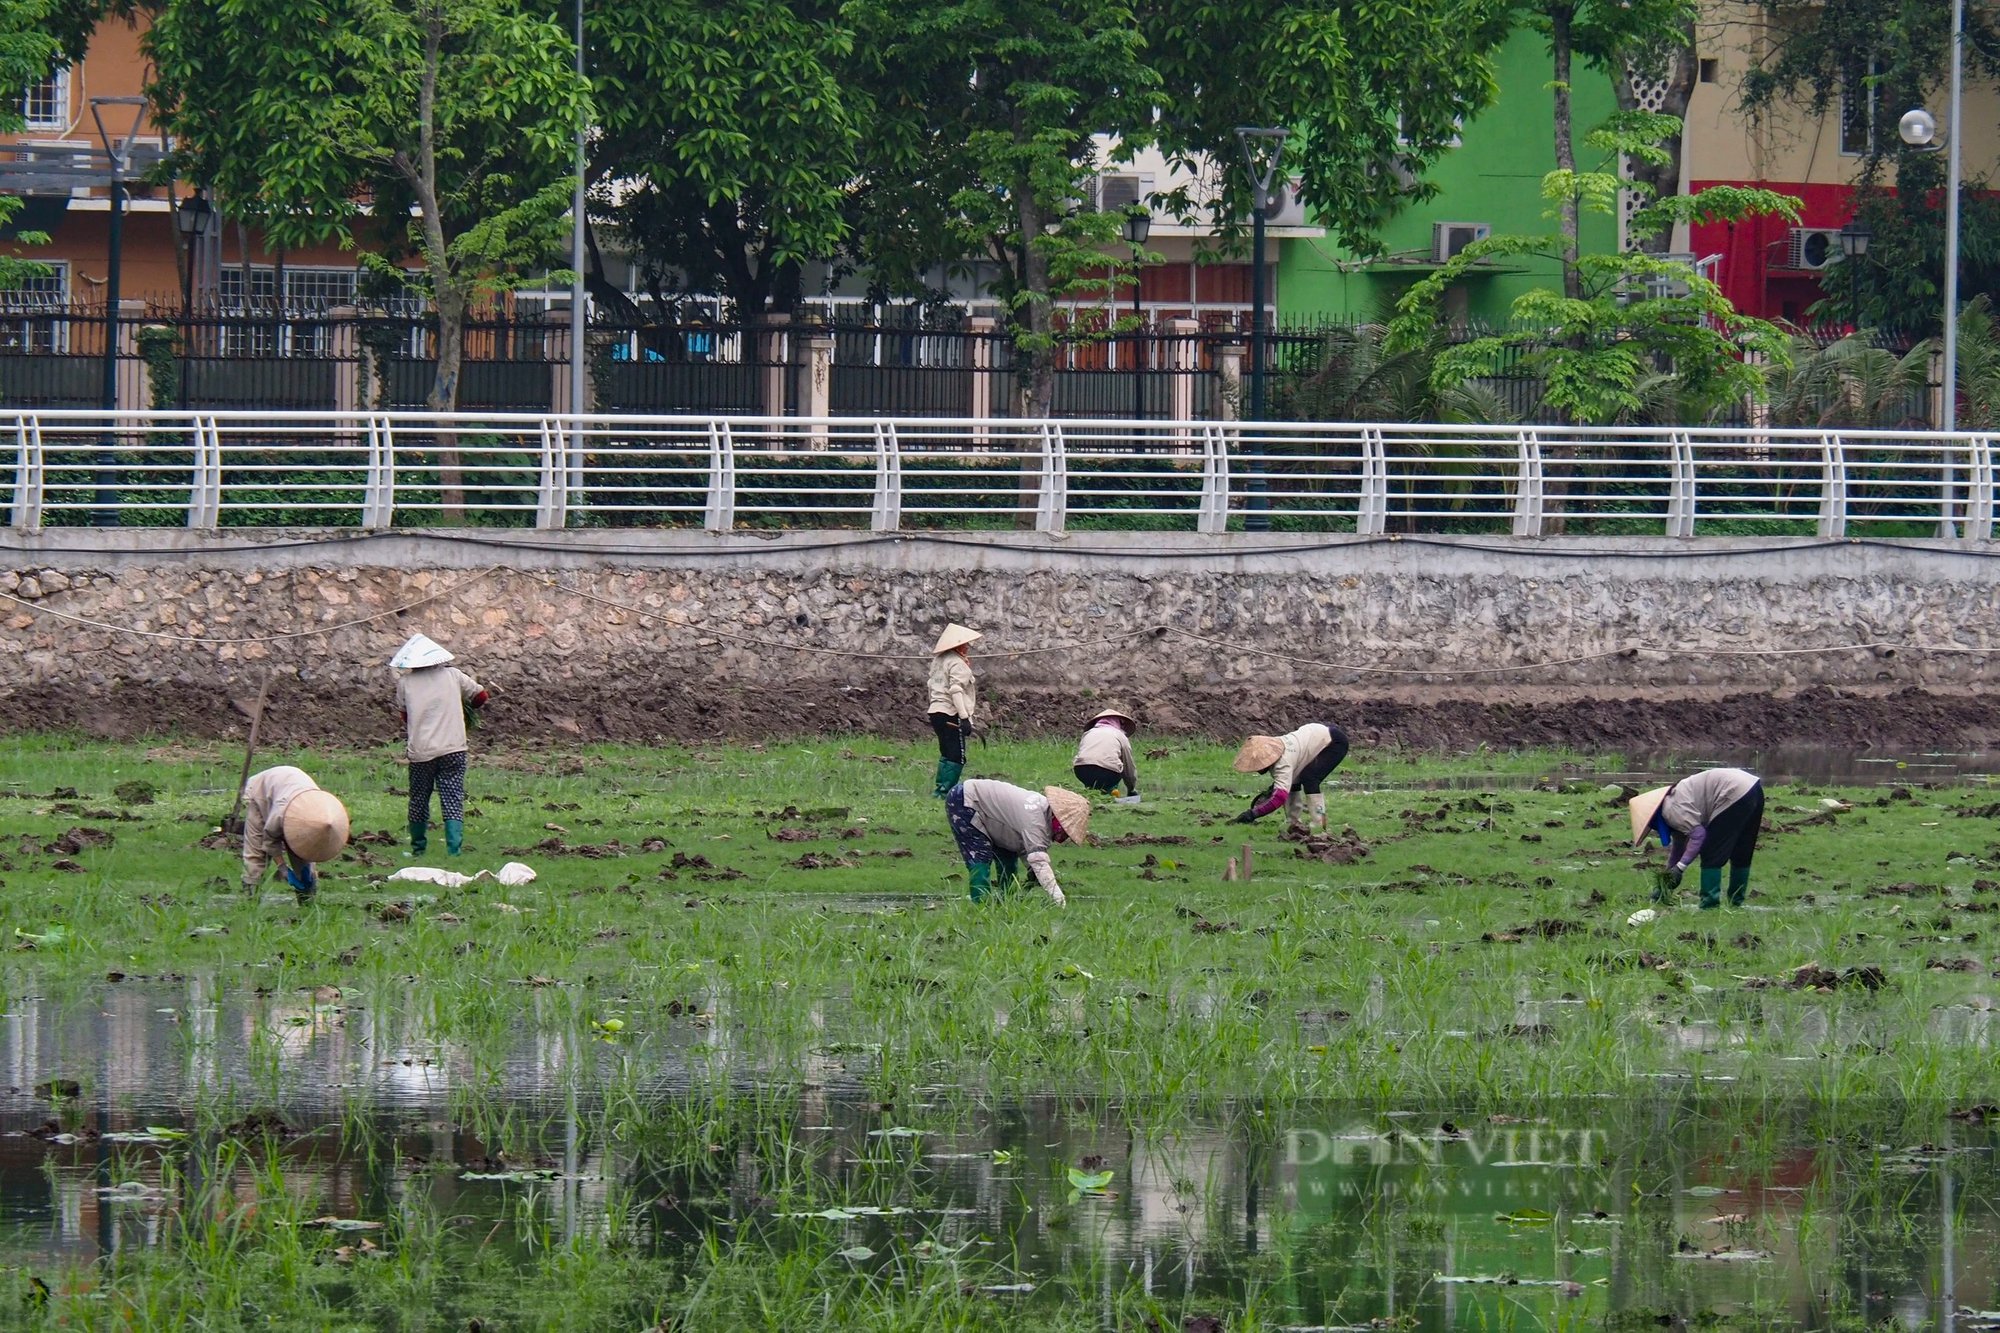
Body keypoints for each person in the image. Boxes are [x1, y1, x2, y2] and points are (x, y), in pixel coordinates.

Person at [392, 633, 490, 856]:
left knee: (419, 798)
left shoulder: (405, 683)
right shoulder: (454, 676)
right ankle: (453, 850)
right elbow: (481, 697)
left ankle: (418, 849)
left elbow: (405, 716)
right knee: (452, 796)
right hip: (453, 748)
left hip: (421, 752)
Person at [1629, 767, 1764, 910]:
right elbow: (1679, 847)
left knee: (1711, 851)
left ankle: (1709, 904)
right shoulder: (1673, 801)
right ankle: (1736, 903)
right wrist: (1666, 880)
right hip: (1753, 787)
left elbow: (1698, 835)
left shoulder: (1670, 809)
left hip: (1731, 791)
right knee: (1742, 850)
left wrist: (1680, 868)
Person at [944, 778, 1090, 905]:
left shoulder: (1041, 808)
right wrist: (1058, 898)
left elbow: (1025, 847)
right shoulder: (1035, 819)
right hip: (966, 800)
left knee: (1009, 852)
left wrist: (1032, 872)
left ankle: (1006, 900)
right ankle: (980, 903)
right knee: (980, 854)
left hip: (994, 816)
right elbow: (1038, 860)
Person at [240, 765, 349, 905]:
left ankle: (307, 901)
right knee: (256, 854)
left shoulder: (324, 811)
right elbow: (269, 841)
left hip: (294, 792)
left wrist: (307, 869)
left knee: (303, 857)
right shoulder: (279, 814)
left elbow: (309, 847)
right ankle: (251, 900)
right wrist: (283, 869)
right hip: (261, 793)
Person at [1231, 723, 1350, 831]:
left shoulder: (1283, 763)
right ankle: (1294, 822)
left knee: (1310, 779)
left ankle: (1320, 823)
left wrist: (1252, 815)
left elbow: (1280, 797)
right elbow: (1287, 784)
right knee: (1293, 780)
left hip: (1333, 742)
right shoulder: (1275, 747)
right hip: (1315, 734)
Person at [927, 623, 980, 798]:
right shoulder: (957, 663)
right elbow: (956, 691)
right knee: (957, 755)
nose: (967, 647)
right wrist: (964, 718)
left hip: (935, 710)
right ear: (958, 645)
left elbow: (931, 686)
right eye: (965, 644)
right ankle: (944, 793)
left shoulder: (938, 661)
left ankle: (940, 788)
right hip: (951, 713)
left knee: (946, 752)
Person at [1072, 707, 1140, 799]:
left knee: (1093, 785)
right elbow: (1128, 767)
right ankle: (1109, 796)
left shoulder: (1088, 733)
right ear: (1119, 723)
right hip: (1107, 773)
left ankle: (1092, 797)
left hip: (1081, 770)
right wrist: (1131, 788)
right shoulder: (1120, 735)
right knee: (1116, 765)